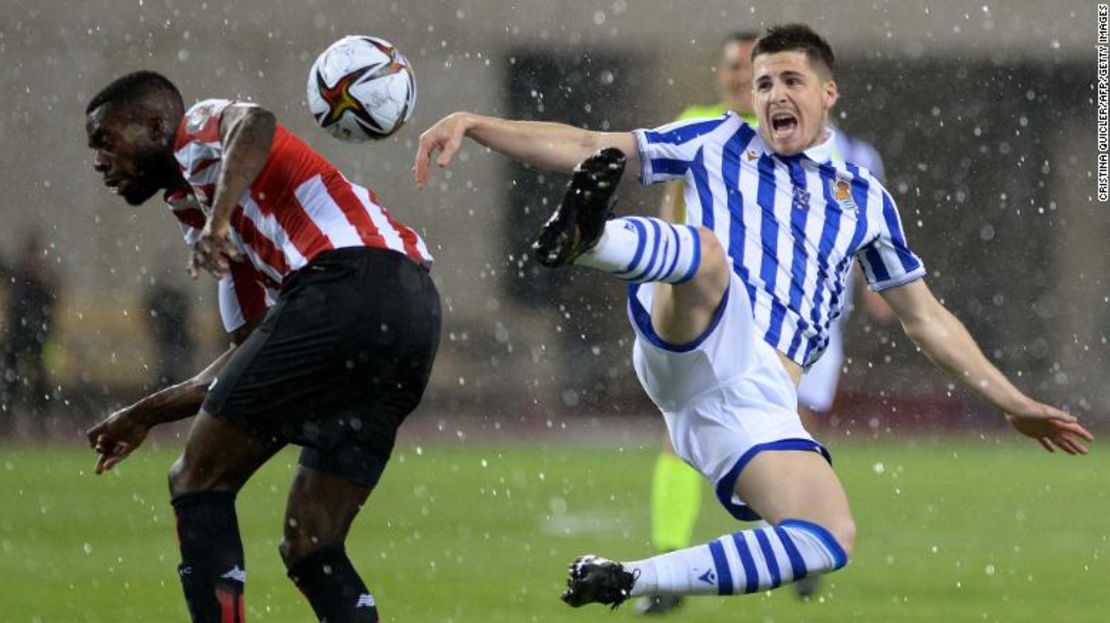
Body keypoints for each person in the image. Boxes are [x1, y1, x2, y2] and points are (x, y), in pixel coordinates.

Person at [413, 23, 1093, 610]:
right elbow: (590, 140)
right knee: (707, 255)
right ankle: (589, 241)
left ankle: (633, 577)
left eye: (789, 80)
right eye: (762, 83)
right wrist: (477, 126)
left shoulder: (865, 198)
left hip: (754, 401)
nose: (772, 95)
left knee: (828, 536)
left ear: (828, 93)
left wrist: (1013, 401)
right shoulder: (714, 139)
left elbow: (926, 318)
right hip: (689, 327)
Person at [84, 71, 440, 623]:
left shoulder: (197, 133)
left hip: (345, 284)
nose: (99, 161)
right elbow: (247, 358)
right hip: (411, 314)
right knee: (311, 542)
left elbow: (255, 122)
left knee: (197, 477)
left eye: (107, 141)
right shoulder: (203, 216)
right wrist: (144, 413)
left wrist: (219, 223)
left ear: (156, 126)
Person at [643, 29, 893, 614]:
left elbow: (850, 222)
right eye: (738, 71)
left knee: (790, 424)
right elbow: (670, 204)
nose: (743, 81)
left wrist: (875, 288)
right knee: (680, 435)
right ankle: (669, 561)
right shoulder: (699, 127)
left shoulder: (832, 150)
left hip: (800, 312)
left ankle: (798, 542)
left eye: (776, 77)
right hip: (714, 309)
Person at [1, 231, 61, 436]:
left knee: (40, 380)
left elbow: (53, 301)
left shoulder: (44, 278)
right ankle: (7, 421)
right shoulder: (18, 277)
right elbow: (14, 306)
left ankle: (41, 423)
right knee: (11, 378)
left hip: (39, 336)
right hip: (18, 335)